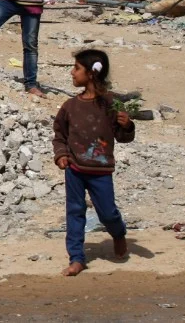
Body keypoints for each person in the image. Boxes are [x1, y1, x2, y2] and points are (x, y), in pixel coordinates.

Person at [53, 49, 134, 277]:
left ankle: (118, 234)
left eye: (77, 68)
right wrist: (61, 155)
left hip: (101, 171)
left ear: (91, 73)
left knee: (107, 213)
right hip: (75, 169)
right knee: (75, 212)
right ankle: (77, 258)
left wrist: (127, 124)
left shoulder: (111, 104)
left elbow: (123, 136)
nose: (72, 72)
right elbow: (59, 134)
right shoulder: (70, 106)